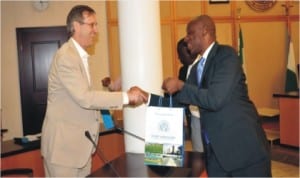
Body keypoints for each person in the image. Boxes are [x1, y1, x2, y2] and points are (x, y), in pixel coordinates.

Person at [137, 15, 271, 177]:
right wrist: (147, 97)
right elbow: (180, 103)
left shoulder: (226, 56)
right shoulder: (196, 69)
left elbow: (215, 99)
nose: (186, 39)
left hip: (244, 152)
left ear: (205, 32)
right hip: (215, 154)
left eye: (190, 34)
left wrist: (181, 85)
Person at [41, 5, 146, 177]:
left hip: (79, 149)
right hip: (64, 152)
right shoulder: (67, 56)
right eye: (92, 25)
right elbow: (85, 98)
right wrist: (126, 97)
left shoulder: (80, 56)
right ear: (76, 26)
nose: (96, 30)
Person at [177, 38, 203, 152]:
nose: (179, 58)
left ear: (189, 52)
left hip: (207, 117)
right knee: (198, 152)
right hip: (193, 116)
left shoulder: (203, 66)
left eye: (180, 54)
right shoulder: (183, 70)